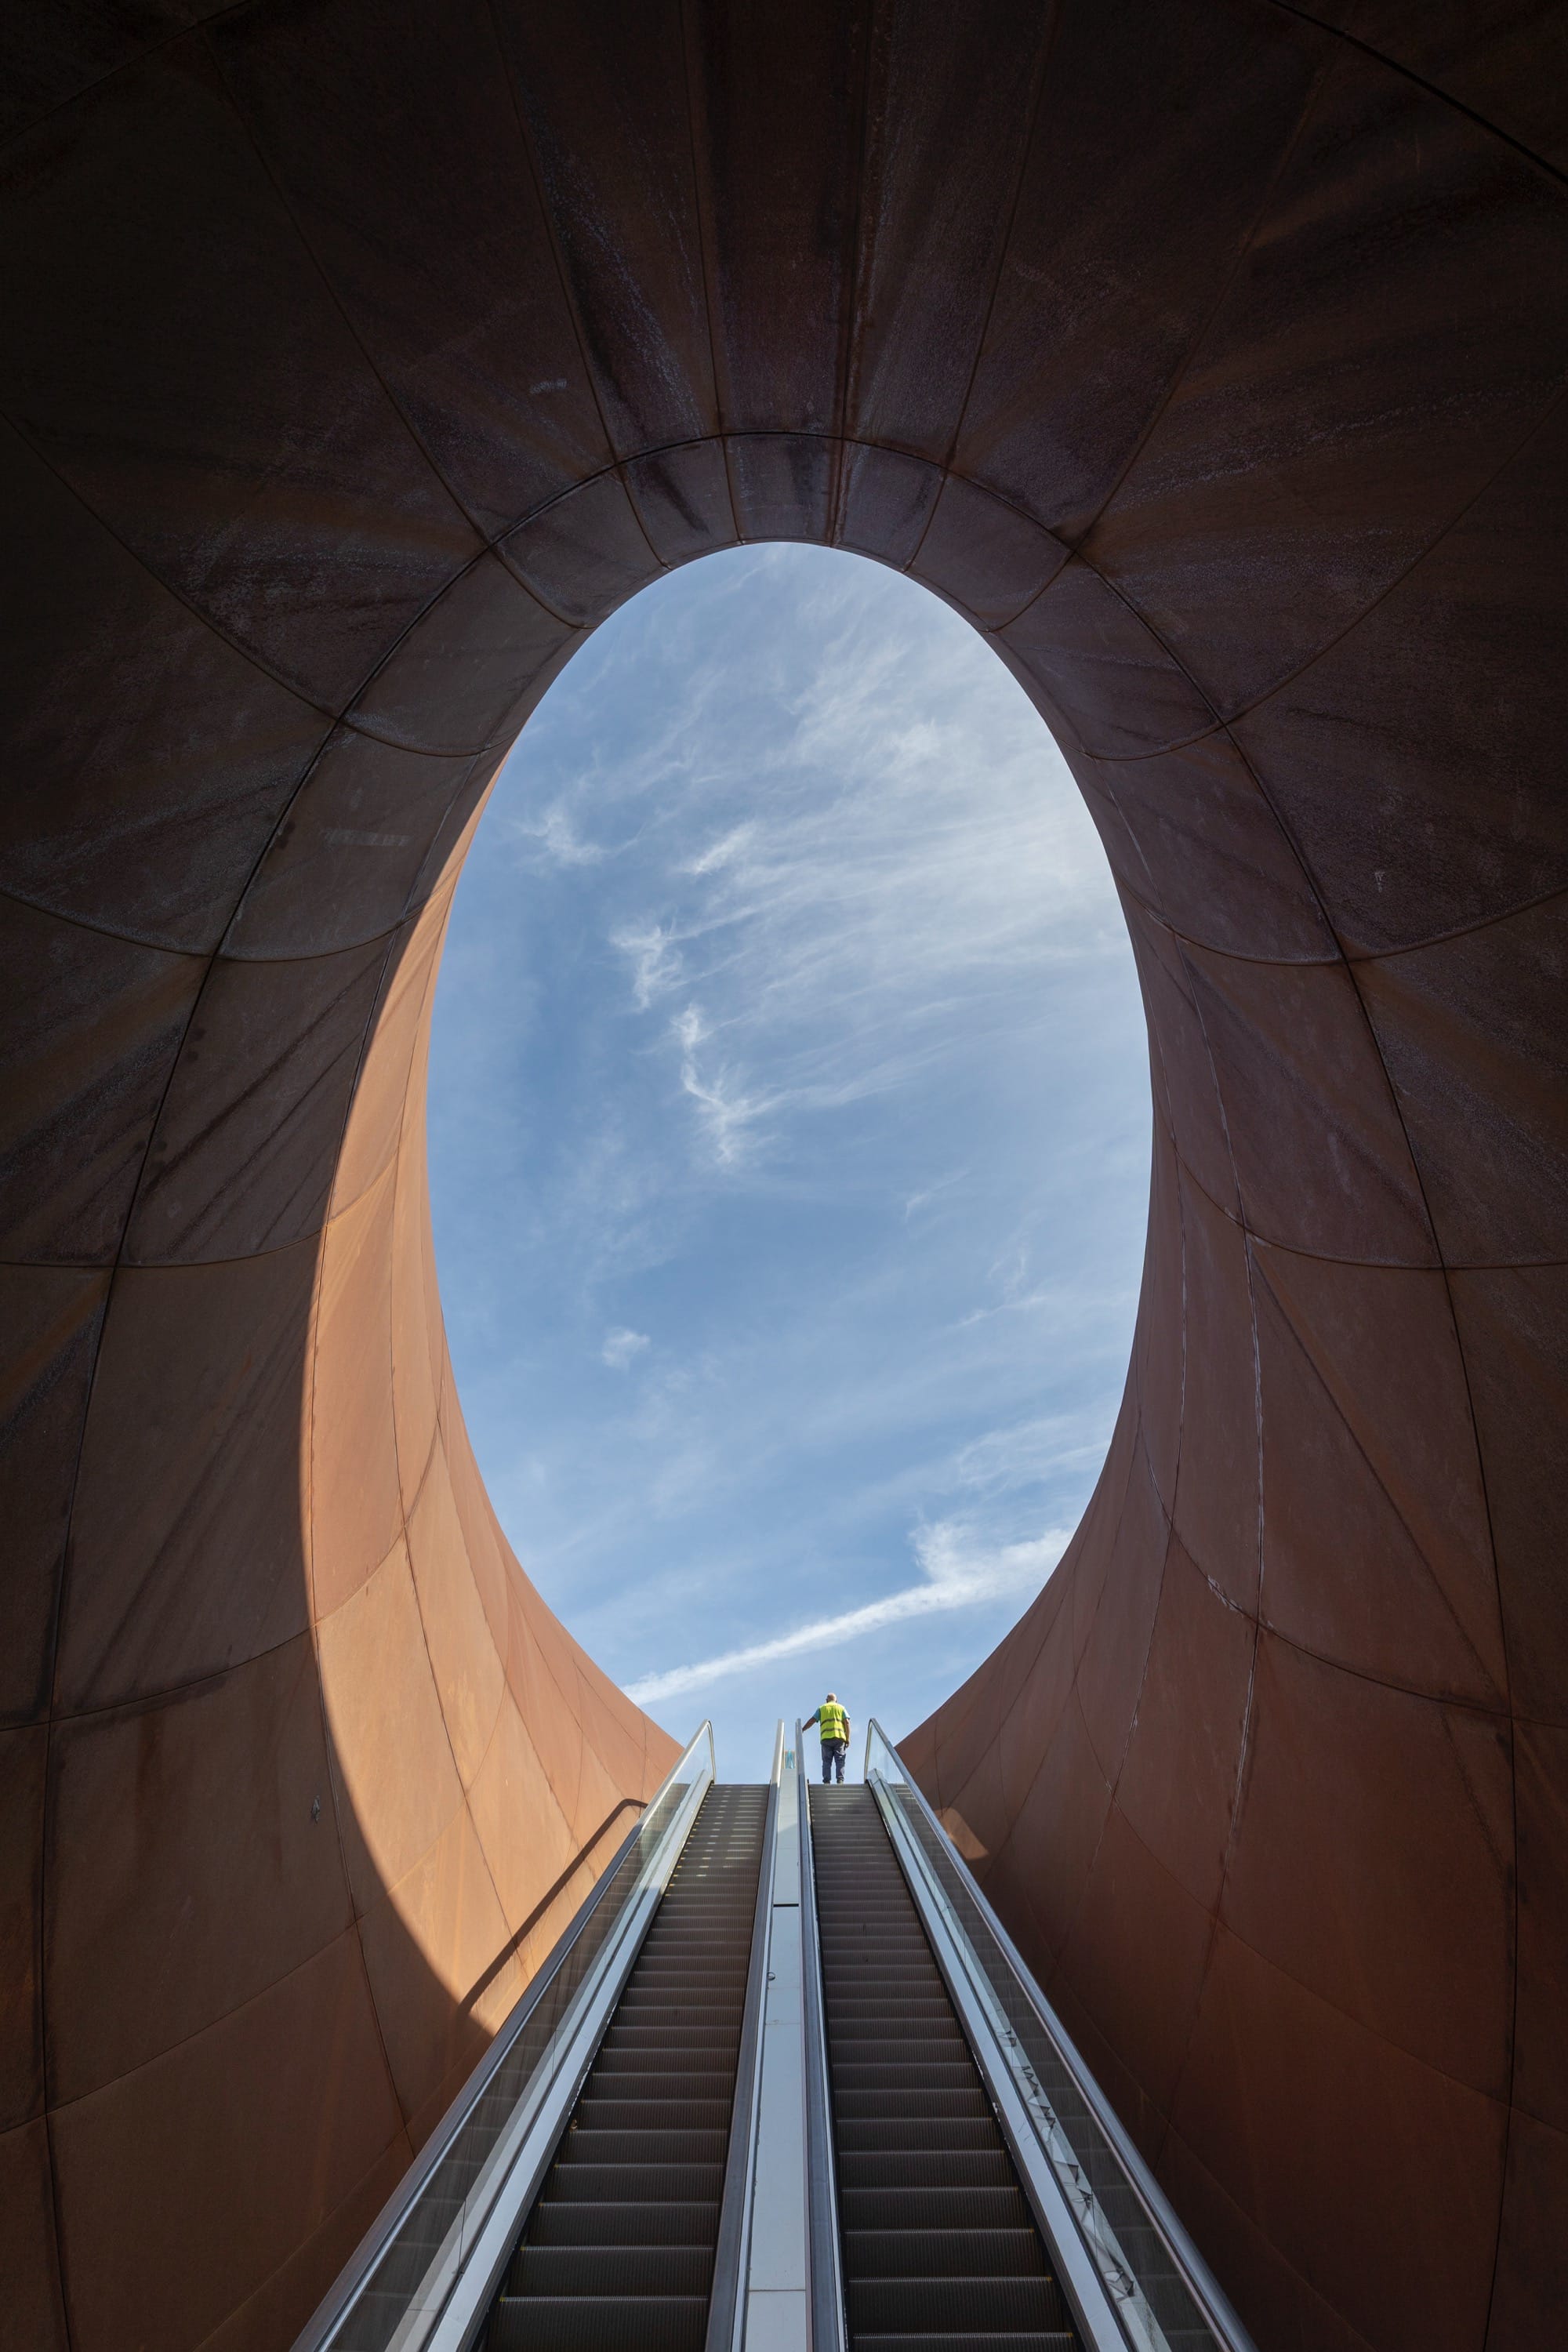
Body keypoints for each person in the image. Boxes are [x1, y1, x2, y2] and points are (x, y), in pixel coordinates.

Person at [804, 1692, 851, 1784]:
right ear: (836, 1701)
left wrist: (803, 1729)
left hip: (826, 1739)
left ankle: (826, 1781)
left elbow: (812, 1720)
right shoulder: (841, 1708)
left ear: (826, 1700)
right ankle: (840, 1780)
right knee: (840, 1760)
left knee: (826, 1761)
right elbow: (847, 1722)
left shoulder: (822, 1708)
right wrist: (848, 1738)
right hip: (839, 1738)